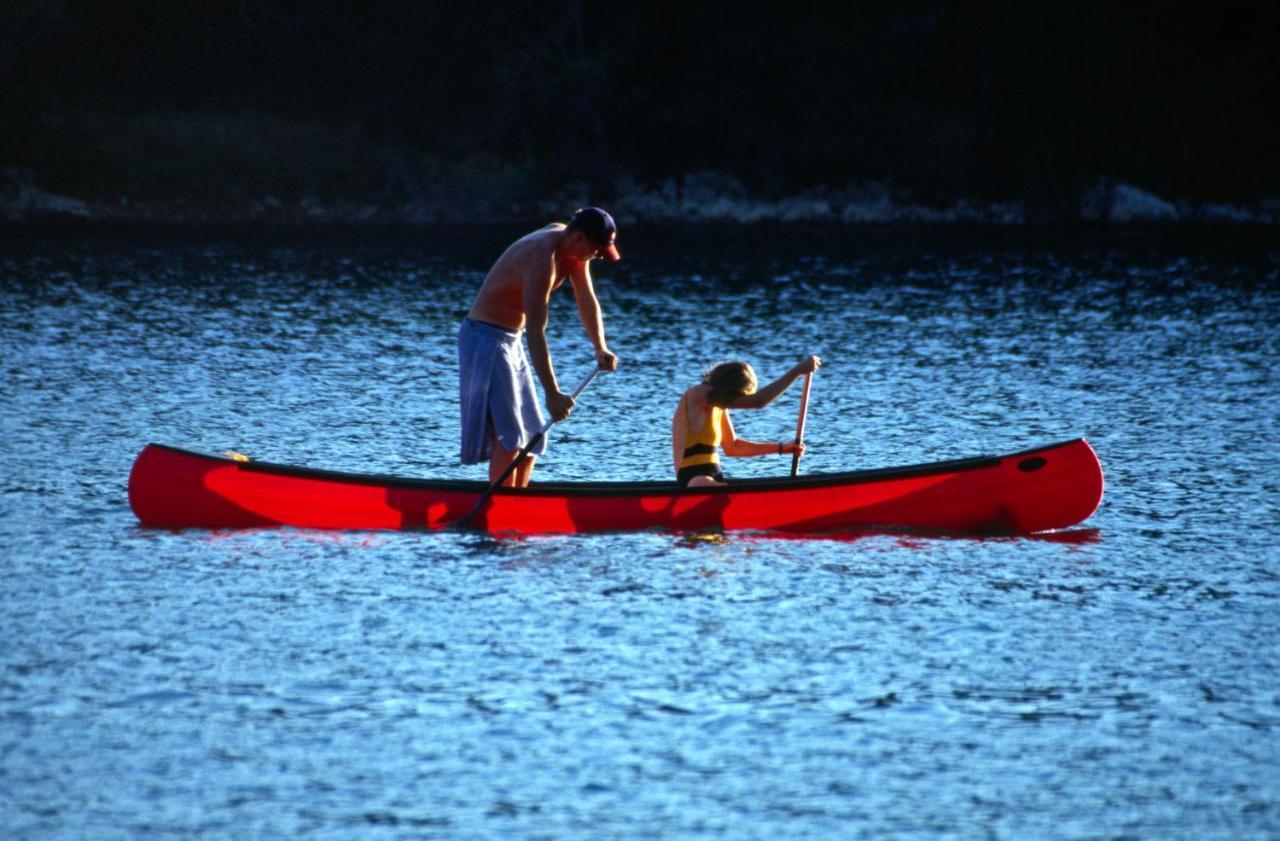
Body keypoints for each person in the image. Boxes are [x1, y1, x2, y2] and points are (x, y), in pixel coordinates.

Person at [458, 207, 620, 487]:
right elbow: (536, 330)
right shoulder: (540, 256)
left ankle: (516, 504)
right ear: (580, 237)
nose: (597, 256)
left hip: (511, 339)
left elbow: (586, 298)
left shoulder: (572, 249)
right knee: (511, 436)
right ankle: (500, 507)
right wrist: (552, 393)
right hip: (484, 338)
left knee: (534, 434)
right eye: (596, 250)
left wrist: (600, 347)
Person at [672, 355, 821, 487]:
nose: (739, 400)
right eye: (740, 395)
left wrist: (782, 448)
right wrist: (797, 371)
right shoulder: (698, 394)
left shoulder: (719, 406)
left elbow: (733, 447)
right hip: (694, 480)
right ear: (731, 386)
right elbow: (758, 401)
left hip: (715, 477)